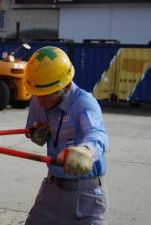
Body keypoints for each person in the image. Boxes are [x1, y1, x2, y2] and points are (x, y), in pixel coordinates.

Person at [24, 46, 109, 225]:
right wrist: (36, 133)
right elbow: (31, 130)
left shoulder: (84, 103)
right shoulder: (39, 98)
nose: (39, 100)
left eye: (46, 95)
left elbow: (97, 134)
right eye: (37, 95)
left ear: (66, 86)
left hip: (85, 197)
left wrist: (86, 150)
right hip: (51, 189)